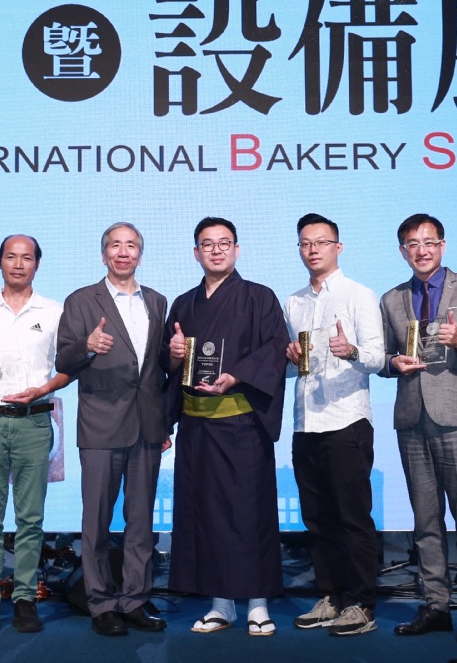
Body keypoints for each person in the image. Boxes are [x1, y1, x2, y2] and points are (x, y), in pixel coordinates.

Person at [377, 214, 457, 645]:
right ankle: (435, 605)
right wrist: (393, 363)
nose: (422, 250)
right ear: (403, 251)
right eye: (412, 244)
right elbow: (384, 358)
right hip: (412, 419)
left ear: (443, 246)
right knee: (425, 520)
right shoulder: (392, 299)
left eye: (429, 242)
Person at [163, 216, 290, 637]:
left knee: (248, 514)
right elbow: (168, 363)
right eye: (207, 244)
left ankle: (257, 603)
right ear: (195, 252)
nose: (216, 250)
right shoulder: (183, 304)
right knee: (205, 514)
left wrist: (235, 376)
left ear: (237, 249)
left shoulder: (259, 297)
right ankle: (220, 604)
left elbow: (275, 350)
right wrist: (174, 353)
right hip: (197, 427)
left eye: (224, 243)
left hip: (242, 424)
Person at [56, 222, 170, 636]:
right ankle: (101, 602)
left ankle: (135, 599)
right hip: (101, 426)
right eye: (115, 246)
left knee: (141, 522)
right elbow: (64, 361)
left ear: (140, 253)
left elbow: (158, 368)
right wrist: (87, 347)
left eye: (131, 245)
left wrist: (176, 357)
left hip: (147, 427)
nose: (124, 252)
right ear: (103, 254)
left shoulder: (156, 301)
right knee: (97, 522)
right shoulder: (81, 300)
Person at [282, 213, 384, 637]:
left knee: (352, 518)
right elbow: (294, 369)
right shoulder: (294, 302)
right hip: (306, 421)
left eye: (321, 242)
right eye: (306, 243)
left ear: (338, 248)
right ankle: (330, 596)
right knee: (316, 518)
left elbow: (378, 358)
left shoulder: (359, 295)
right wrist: (289, 360)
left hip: (346, 420)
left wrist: (350, 350)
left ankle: (361, 603)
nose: (313, 250)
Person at [0, 234, 70, 634]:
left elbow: (68, 368)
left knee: (30, 518)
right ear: (0, 262)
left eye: (27, 258)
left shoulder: (54, 311)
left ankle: (25, 598)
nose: (19, 264)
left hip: (34, 421)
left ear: (37, 264)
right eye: (11, 256)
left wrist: (44, 388)